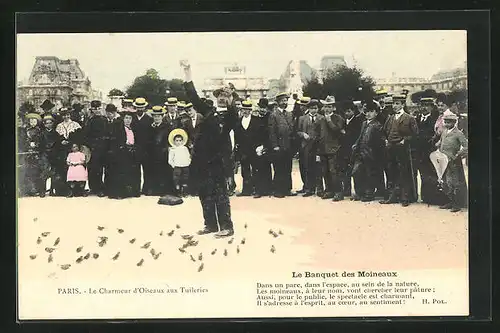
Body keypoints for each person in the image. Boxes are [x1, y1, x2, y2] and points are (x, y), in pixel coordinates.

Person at [181, 59, 238, 238]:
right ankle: (210, 225)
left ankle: (227, 227)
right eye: (220, 95)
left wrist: (232, 99)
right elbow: (193, 96)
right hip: (201, 160)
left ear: (230, 99)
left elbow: (234, 120)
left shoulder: (231, 115)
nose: (222, 98)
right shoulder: (208, 111)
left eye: (226, 95)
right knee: (204, 193)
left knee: (221, 194)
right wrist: (187, 72)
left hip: (219, 161)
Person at [380, 94, 419, 207]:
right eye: (393, 103)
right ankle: (392, 196)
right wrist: (386, 140)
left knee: (404, 173)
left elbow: (415, 134)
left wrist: (405, 140)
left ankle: (405, 197)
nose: (395, 106)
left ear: (402, 104)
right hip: (391, 148)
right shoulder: (390, 118)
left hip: (403, 149)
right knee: (392, 172)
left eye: (397, 103)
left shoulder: (409, 118)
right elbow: (383, 132)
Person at [351, 100, 385, 202]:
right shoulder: (364, 123)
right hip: (360, 152)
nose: (368, 114)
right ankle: (360, 192)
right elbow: (361, 136)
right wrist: (356, 145)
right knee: (357, 172)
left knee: (370, 173)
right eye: (367, 111)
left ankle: (369, 193)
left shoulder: (377, 125)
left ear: (376, 113)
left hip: (371, 153)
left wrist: (374, 153)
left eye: (371, 111)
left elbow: (378, 142)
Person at [435, 110, 468, 212]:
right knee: (445, 182)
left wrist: (458, 155)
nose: (447, 124)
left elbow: (466, 146)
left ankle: (456, 204)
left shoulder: (458, 133)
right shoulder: (444, 132)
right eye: (446, 121)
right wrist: (438, 145)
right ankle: (450, 201)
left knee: (454, 182)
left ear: (454, 122)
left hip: (453, 161)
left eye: (449, 122)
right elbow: (440, 142)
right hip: (443, 160)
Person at [415, 97, 445, 205]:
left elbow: (436, 135)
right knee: (423, 174)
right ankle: (425, 196)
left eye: (427, 106)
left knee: (432, 173)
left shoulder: (435, 119)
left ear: (432, 107)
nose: (424, 108)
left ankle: (434, 197)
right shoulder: (418, 118)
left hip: (430, 150)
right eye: (422, 105)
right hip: (420, 151)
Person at [268, 92, 297, 198]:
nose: (284, 102)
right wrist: (275, 145)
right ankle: (278, 190)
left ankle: (287, 189)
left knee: (288, 168)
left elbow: (292, 129)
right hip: (278, 146)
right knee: (279, 168)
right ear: (278, 102)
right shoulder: (273, 115)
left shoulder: (289, 114)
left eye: (286, 100)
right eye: (282, 101)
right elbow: (272, 132)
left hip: (288, 145)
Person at [107, 110, 141, 199]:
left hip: (132, 152)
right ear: (123, 119)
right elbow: (116, 141)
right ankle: (120, 192)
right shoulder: (119, 129)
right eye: (126, 118)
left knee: (132, 172)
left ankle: (131, 191)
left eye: (130, 118)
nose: (128, 120)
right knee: (121, 172)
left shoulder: (134, 129)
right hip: (122, 152)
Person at [234, 100, 265, 197]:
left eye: (247, 109)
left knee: (256, 169)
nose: (245, 111)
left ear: (250, 110)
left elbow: (262, 135)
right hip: (243, 150)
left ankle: (258, 190)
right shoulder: (239, 121)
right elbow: (237, 136)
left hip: (254, 149)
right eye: (244, 109)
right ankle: (246, 190)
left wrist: (261, 146)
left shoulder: (257, 120)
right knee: (245, 170)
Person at [317, 96, 345, 200]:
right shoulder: (321, 119)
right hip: (323, 149)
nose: (327, 109)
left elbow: (337, 130)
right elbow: (318, 133)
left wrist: (329, 121)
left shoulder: (338, 118)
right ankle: (329, 190)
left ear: (334, 108)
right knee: (325, 171)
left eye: (329, 107)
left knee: (334, 171)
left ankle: (339, 192)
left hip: (334, 149)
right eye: (325, 107)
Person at [297, 99, 323, 197]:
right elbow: (298, 131)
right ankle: (309, 188)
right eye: (312, 108)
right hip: (306, 146)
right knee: (307, 167)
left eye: (315, 108)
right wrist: (303, 134)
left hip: (318, 146)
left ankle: (319, 188)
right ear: (308, 109)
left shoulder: (321, 118)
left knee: (318, 167)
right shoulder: (302, 118)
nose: (314, 110)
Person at [145, 105, 173, 196]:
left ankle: (163, 190)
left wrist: (165, 149)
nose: (157, 118)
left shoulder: (167, 127)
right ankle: (153, 189)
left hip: (163, 153)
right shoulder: (150, 127)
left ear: (162, 116)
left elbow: (170, 140)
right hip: (152, 153)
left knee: (163, 171)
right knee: (152, 171)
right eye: (155, 116)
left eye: (159, 116)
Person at [339, 100, 365, 199]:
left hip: (354, 149)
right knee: (346, 171)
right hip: (344, 149)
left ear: (353, 111)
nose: (347, 113)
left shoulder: (357, 121)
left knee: (355, 171)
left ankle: (358, 192)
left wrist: (345, 133)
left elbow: (356, 135)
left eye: (349, 111)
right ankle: (347, 190)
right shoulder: (343, 121)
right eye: (345, 111)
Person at [21, 113, 49, 197]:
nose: (33, 122)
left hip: (39, 154)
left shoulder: (40, 131)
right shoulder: (26, 131)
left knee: (41, 172)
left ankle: (42, 191)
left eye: (34, 121)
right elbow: (22, 142)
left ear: (37, 122)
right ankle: (32, 190)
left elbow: (44, 143)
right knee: (30, 171)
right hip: (29, 154)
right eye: (31, 121)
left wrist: (37, 145)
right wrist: (28, 145)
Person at [131, 97, 153, 194]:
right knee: (135, 170)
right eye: (138, 107)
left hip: (146, 149)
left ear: (144, 107)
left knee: (147, 169)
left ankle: (146, 189)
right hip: (134, 148)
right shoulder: (132, 118)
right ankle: (136, 189)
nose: (140, 109)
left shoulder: (149, 119)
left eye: (142, 107)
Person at [41, 114, 65, 196]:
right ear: (44, 124)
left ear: (53, 123)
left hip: (54, 154)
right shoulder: (42, 134)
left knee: (54, 173)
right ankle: (42, 191)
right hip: (45, 155)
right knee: (45, 172)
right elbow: (40, 145)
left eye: (50, 123)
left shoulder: (56, 133)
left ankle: (52, 190)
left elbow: (59, 143)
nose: (48, 125)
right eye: (47, 123)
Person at [294, 96, 311, 193]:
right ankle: (306, 185)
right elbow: (297, 131)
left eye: (303, 106)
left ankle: (310, 186)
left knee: (310, 166)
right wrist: (302, 134)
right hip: (302, 145)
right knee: (303, 166)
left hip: (312, 145)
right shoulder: (300, 117)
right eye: (301, 105)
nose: (301, 107)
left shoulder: (315, 116)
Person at [168, 129, 191, 197]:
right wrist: (173, 165)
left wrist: (188, 162)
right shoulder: (173, 149)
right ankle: (178, 192)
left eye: (180, 140)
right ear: (174, 141)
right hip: (177, 166)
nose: (178, 142)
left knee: (185, 179)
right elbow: (170, 159)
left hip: (185, 166)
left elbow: (188, 156)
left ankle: (184, 192)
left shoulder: (185, 148)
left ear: (182, 141)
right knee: (177, 179)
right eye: (177, 141)